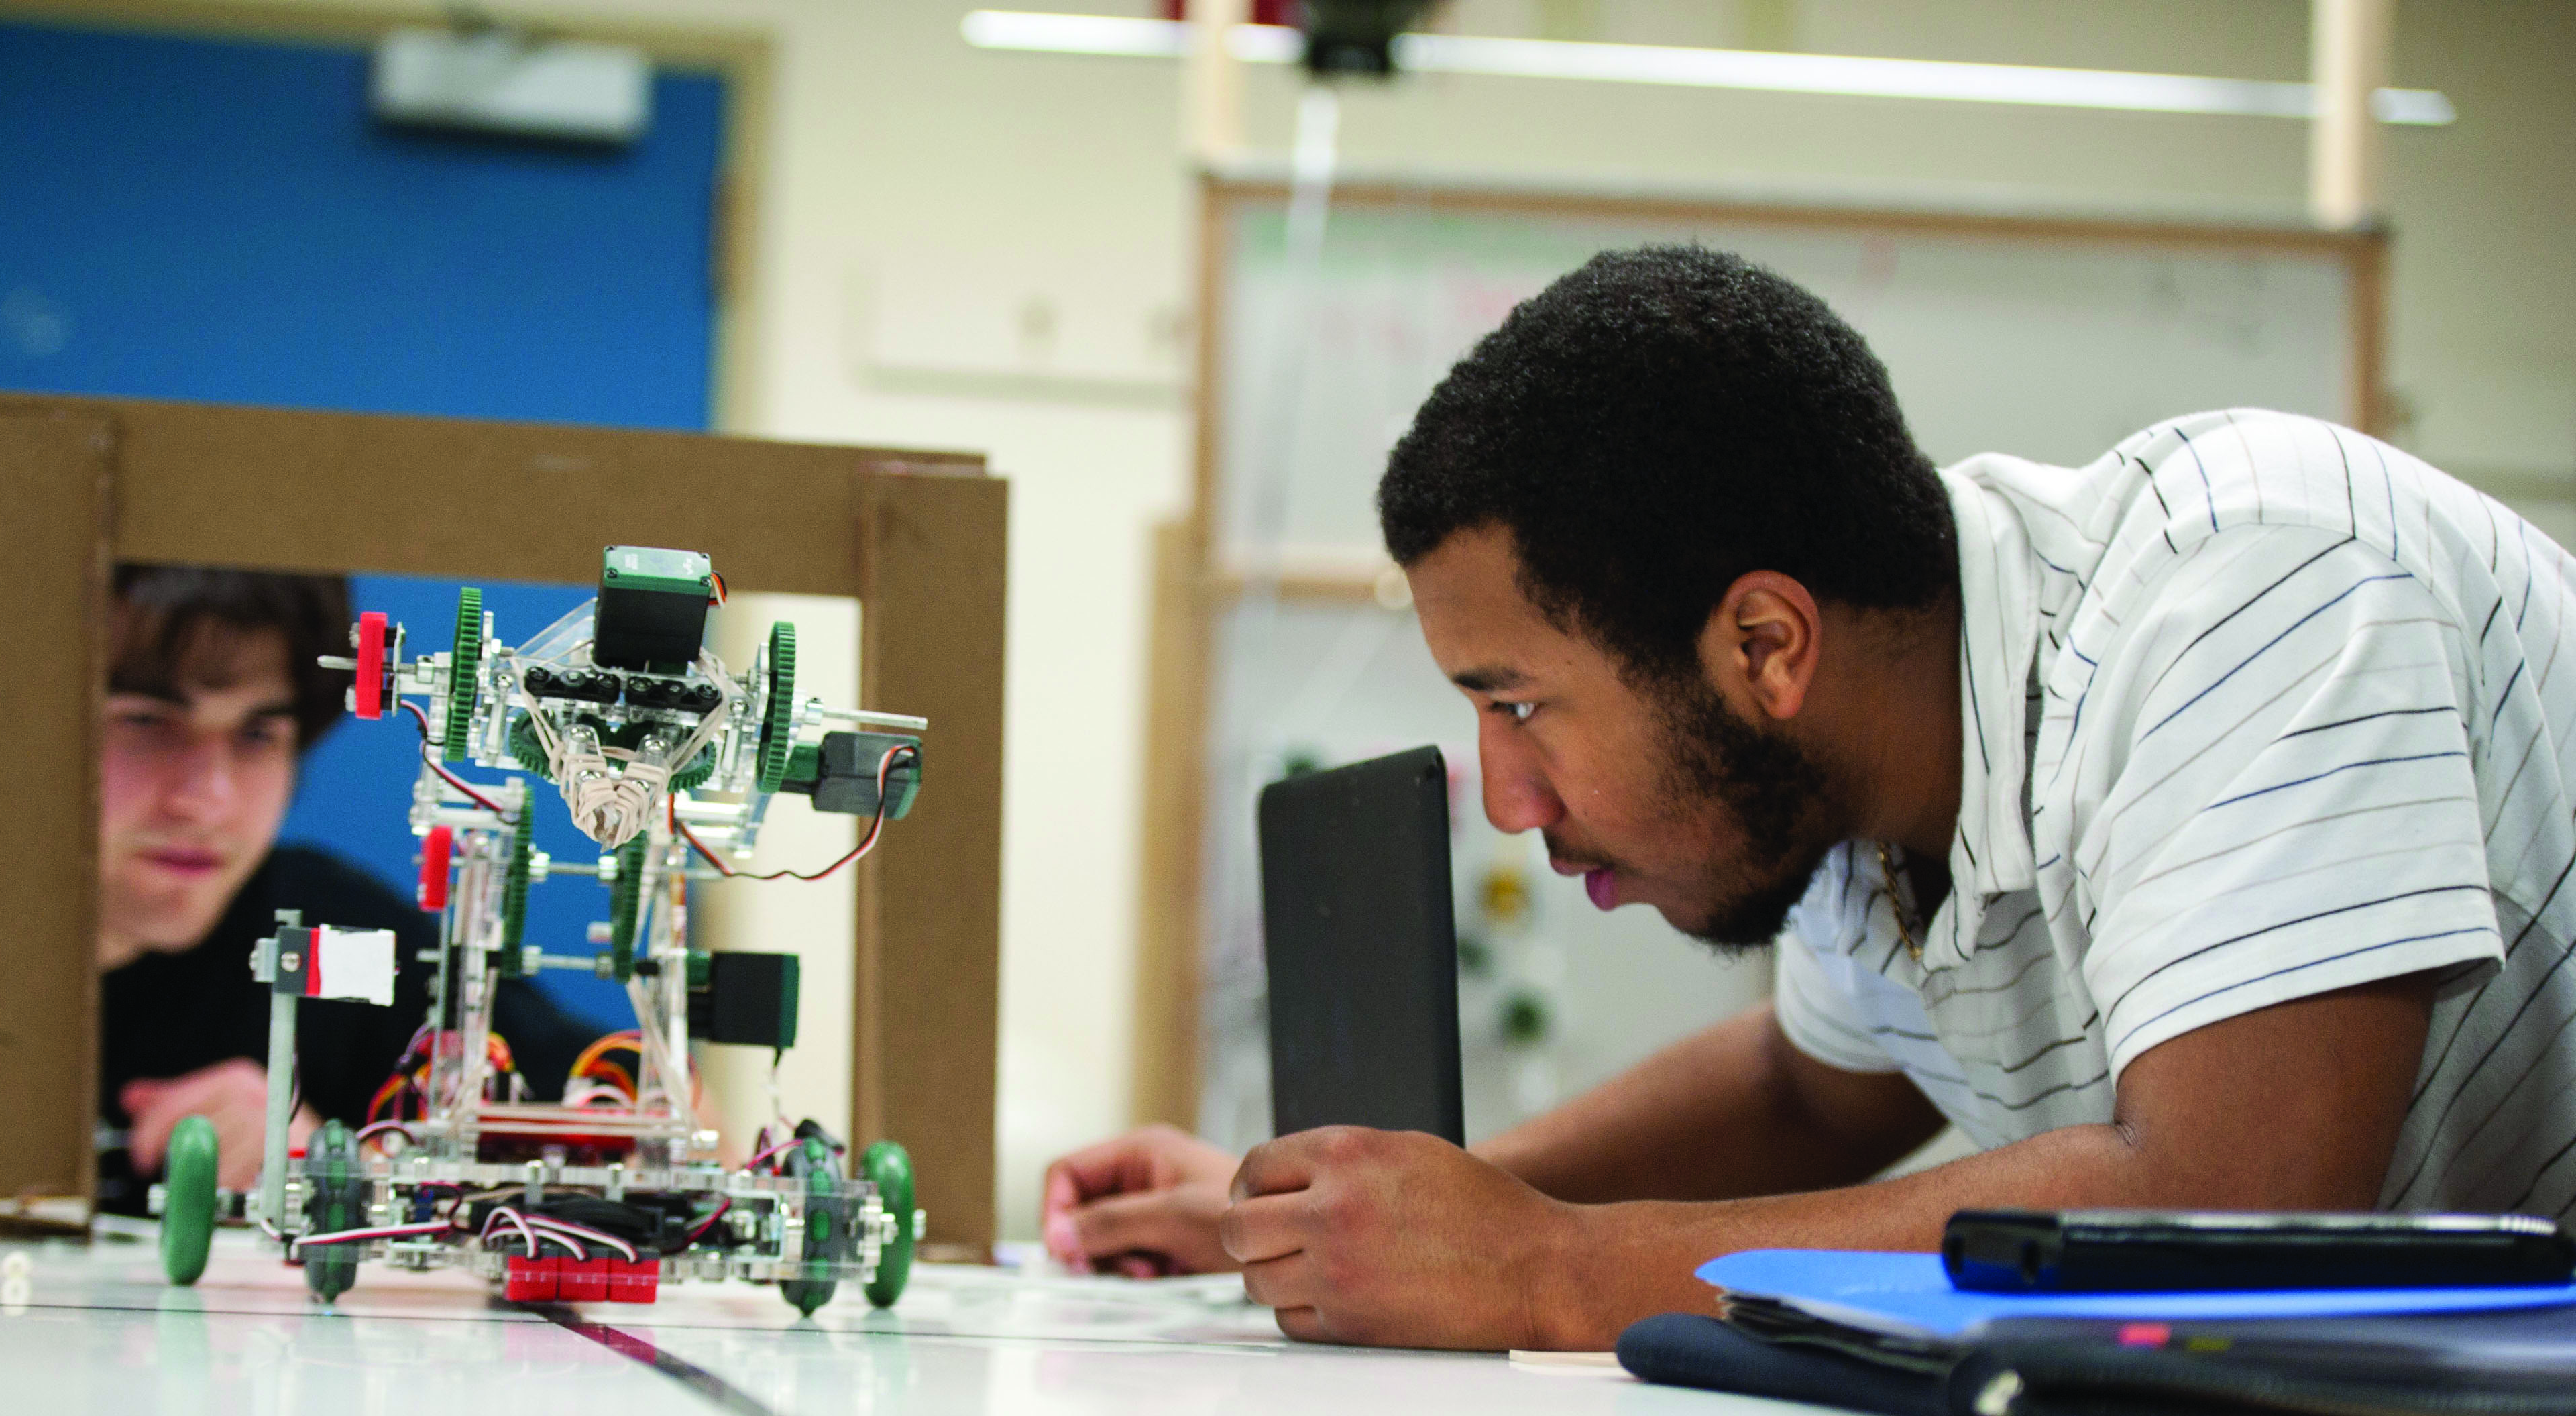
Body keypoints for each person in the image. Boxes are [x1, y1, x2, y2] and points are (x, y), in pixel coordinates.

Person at [1045, 243, 2576, 1353]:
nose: (1508, 799)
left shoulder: (2255, 582)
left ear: (1766, 643)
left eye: (1522, 704)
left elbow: (2229, 1204)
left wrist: (1549, 1270)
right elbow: (1806, 1086)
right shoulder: (1874, 759)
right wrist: (1367, 1212)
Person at [0, 548, 598, 1202]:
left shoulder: (336, 943)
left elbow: (670, 1136)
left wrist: (347, 1173)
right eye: (146, 721)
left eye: (258, 732)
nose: (210, 801)